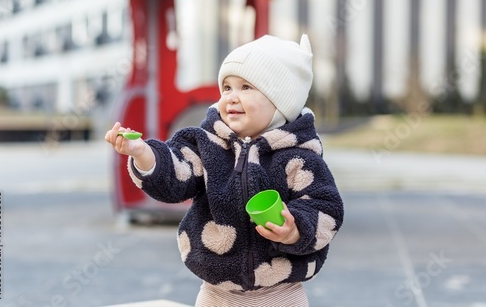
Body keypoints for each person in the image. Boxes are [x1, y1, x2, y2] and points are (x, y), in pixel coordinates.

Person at [105, 34, 344, 306]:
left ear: (281, 101)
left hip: (281, 293)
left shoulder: (299, 158)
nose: (231, 97)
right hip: (216, 293)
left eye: (245, 87)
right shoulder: (206, 144)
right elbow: (175, 171)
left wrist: (294, 230)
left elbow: (325, 207)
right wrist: (144, 154)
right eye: (227, 88)